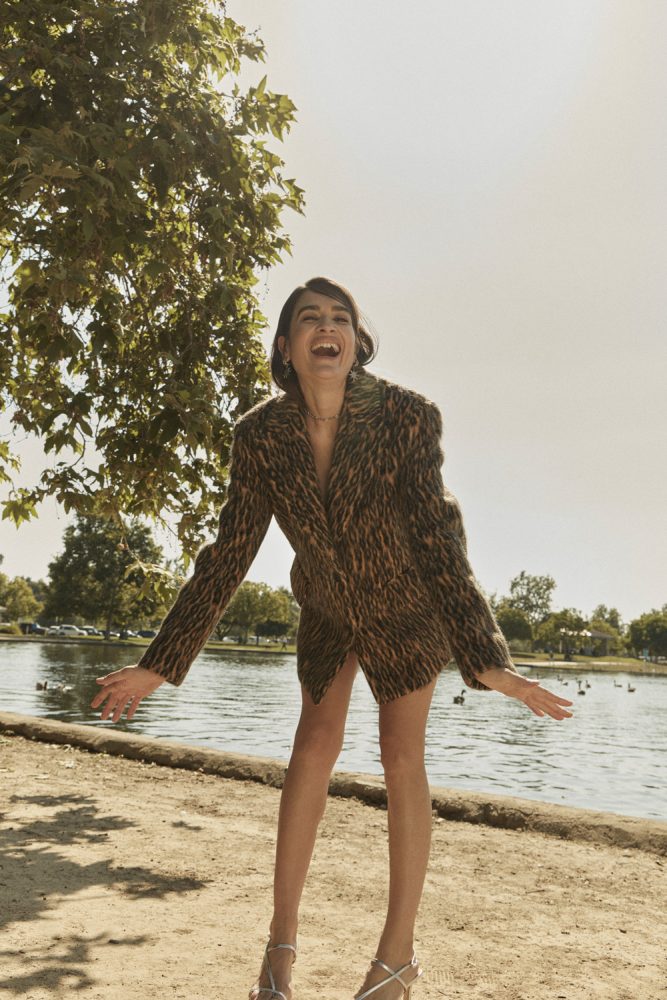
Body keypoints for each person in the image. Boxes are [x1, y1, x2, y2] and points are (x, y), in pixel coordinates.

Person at [91, 276, 574, 1000]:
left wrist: (487, 662)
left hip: (407, 607)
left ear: (355, 342)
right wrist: (160, 664)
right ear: (287, 347)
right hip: (325, 608)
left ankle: (396, 960)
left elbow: (438, 536)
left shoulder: (406, 417)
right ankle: (279, 948)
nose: (327, 327)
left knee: (400, 756)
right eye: (309, 318)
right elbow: (228, 554)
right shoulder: (259, 435)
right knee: (312, 748)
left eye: (340, 318)